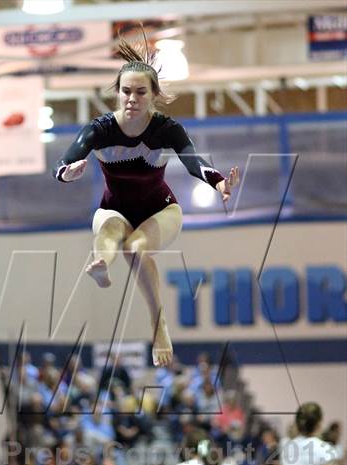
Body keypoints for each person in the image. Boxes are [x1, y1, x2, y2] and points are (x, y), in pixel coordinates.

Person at [53, 28, 239, 368]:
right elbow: (63, 163)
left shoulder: (166, 129)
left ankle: (159, 325)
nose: (132, 99)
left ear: (154, 95)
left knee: (136, 248)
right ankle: (101, 267)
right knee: (109, 233)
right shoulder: (99, 130)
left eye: (140, 92)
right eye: (126, 91)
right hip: (114, 208)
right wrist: (69, 172)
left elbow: (193, 161)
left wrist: (218, 183)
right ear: (117, 93)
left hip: (161, 210)